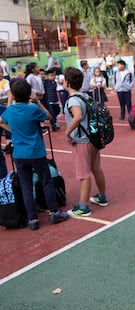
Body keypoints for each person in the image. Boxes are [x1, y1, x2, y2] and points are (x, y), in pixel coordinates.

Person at [0, 79, 69, 230]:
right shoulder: (32, 109)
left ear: (13, 94)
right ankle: (54, 212)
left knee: (26, 186)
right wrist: (38, 102)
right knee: (46, 181)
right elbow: (48, 116)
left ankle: (33, 220)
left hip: (19, 154)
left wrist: (13, 131)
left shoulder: (9, 111)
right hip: (36, 152)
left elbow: (1, 120)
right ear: (28, 94)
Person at [63, 67, 108, 217]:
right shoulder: (86, 97)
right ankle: (102, 196)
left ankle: (83, 206)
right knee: (97, 169)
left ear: (67, 82)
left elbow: (77, 116)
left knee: (83, 174)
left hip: (81, 141)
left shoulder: (73, 100)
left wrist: (67, 132)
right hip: (93, 138)